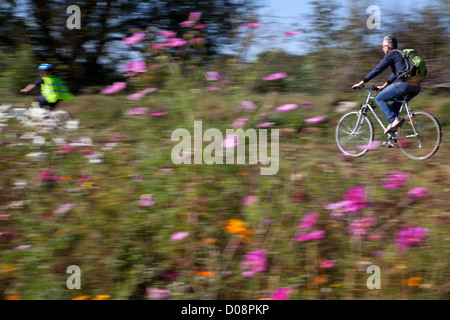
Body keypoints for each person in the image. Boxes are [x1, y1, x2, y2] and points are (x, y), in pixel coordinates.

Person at [352, 36, 422, 134]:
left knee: (379, 98)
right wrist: (384, 86)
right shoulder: (401, 54)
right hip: (416, 86)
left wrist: (361, 82)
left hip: (405, 84)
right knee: (393, 109)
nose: (382, 49)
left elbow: (377, 69)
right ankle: (393, 139)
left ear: (387, 46)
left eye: (383, 47)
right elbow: (396, 73)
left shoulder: (391, 54)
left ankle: (393, 121)